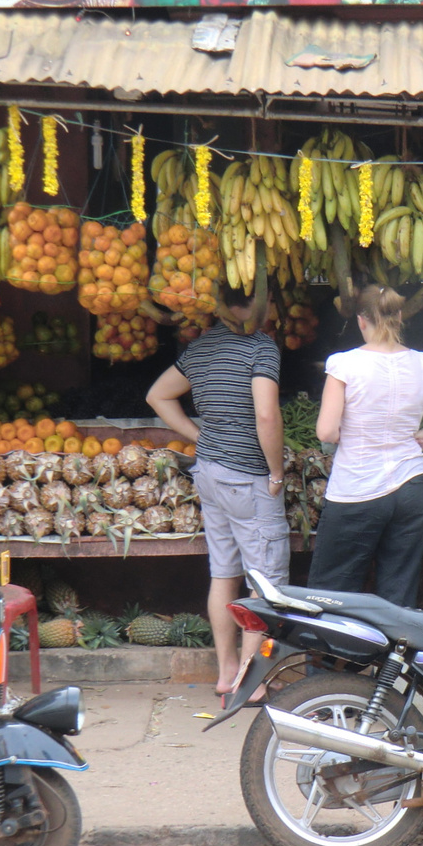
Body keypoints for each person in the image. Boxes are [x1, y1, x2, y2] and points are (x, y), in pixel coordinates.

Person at [146, 264, 284, 703]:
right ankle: (251, 678)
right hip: (248, 476)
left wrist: (199, 436)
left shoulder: (201, 349)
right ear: (257, 303)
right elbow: (266, 414)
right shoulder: (261, 348)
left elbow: (157, 395)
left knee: (223, 573)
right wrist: (276, 469)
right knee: (264, 581)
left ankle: (227, 672)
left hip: (209, 473)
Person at [309, 284, 423, 607]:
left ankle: (331, 658)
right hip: (410, 489)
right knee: (398, 597)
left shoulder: (344, 365)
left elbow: (326, 431)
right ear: (399, 316)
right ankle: (390, 659)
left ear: (362, 321)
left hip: (357, 490)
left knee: (331, 594)